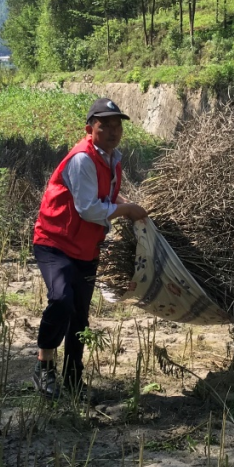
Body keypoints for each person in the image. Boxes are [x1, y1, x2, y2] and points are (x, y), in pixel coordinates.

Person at [31, 97, 147, 399]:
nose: (112, 131)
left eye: (116, 126)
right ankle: (44, 369)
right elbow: (88, 208)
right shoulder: (83, 158)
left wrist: (130, 205)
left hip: (86, 246)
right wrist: (126, 211)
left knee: (80, 315)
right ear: (89, 128)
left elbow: (106, 196)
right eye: (104, 126)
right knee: (61, 299)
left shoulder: (112, 158)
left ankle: (72, 379)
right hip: (55, 241)